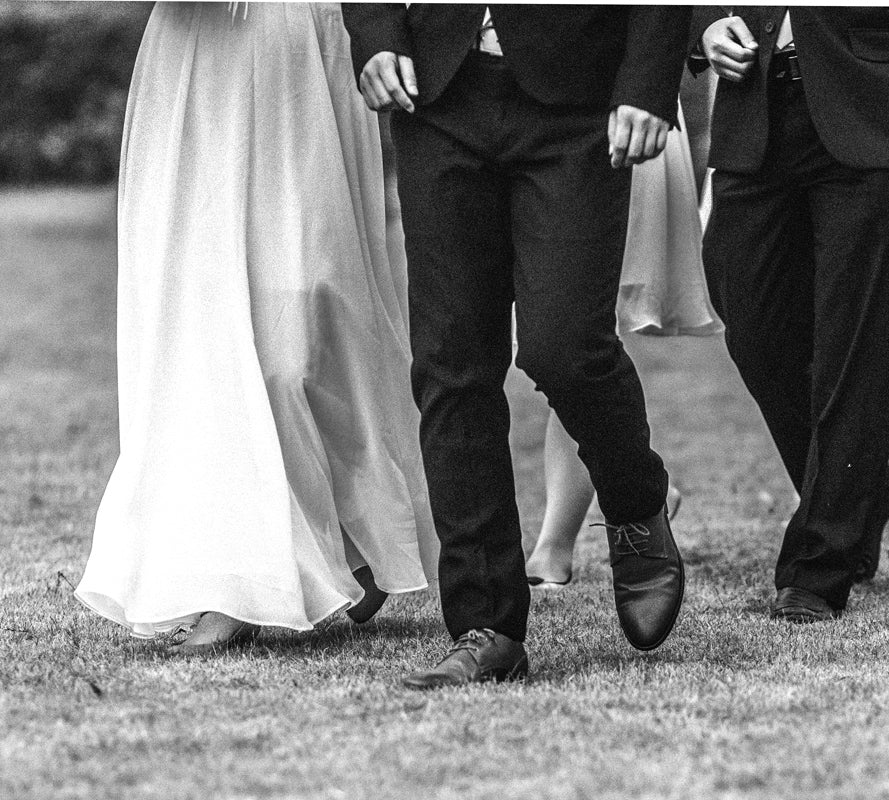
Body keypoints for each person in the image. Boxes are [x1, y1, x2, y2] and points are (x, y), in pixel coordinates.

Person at [342, 5, 693, 689]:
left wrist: (648, 82)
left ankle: (635, 504)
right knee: (451, 365)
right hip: (438, 90)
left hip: (580, 99)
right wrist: (376, 36)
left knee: (565, 349)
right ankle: (486, 625)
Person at [75, 2, 438, 653]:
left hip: (302, 50)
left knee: (310, 308)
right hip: (200, 54)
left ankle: (361, 528)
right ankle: (237, 578)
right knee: (203, 305)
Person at [692, 7, 889, 622]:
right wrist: (705, 26)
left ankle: (816, 570)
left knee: (856, 340)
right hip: (755, 105)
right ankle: (861, 487)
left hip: (872, 106)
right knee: (746, 305)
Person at [525, 102, 723, 589]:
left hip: (612, 117)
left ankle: (555, 543)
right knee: (547, 333)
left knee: (573, 335)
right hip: (514, 121)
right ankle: (636, 475)